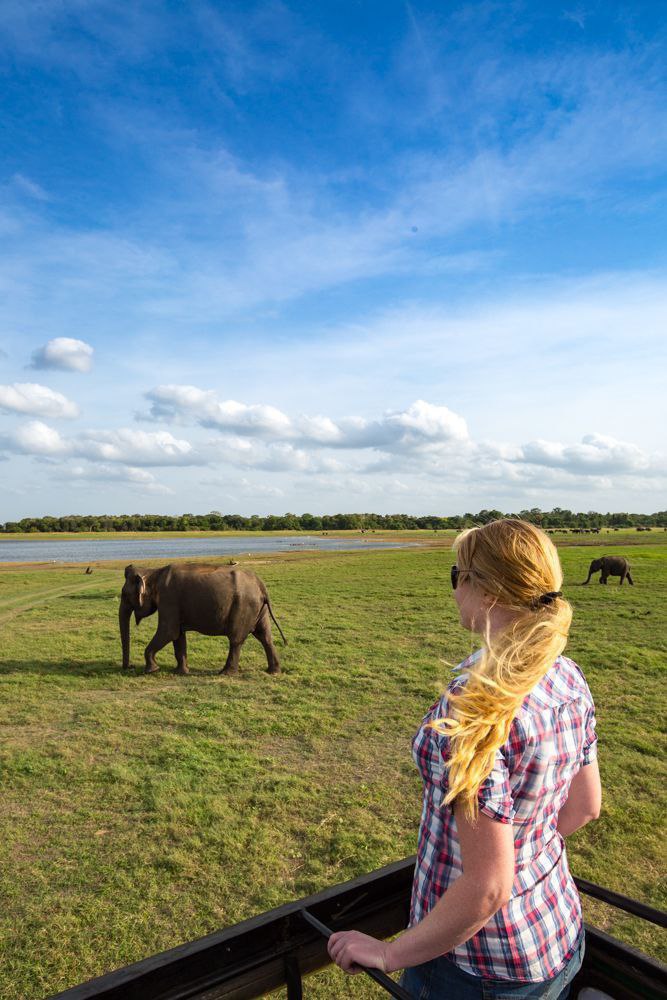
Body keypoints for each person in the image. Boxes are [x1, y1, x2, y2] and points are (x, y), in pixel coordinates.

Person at [328, 518, 601, 998]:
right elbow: (584, 808)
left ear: (486, 591)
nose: (454, 590)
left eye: (457, 576)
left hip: (477, 967)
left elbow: (488, 887)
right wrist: (523, 854)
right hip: (556, 930)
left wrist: (389, 954)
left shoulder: (471, 710)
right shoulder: (567, 676)